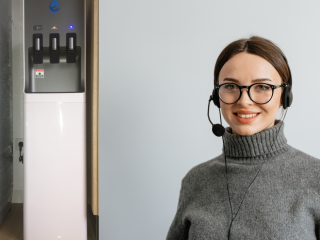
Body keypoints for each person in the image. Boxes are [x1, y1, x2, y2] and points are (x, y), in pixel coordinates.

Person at [166, 36, 320, 240]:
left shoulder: (315, 177)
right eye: (230, 86)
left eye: (263, 87)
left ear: (285, 96)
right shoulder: (195, 180)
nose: (245, 101)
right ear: (215, 96)